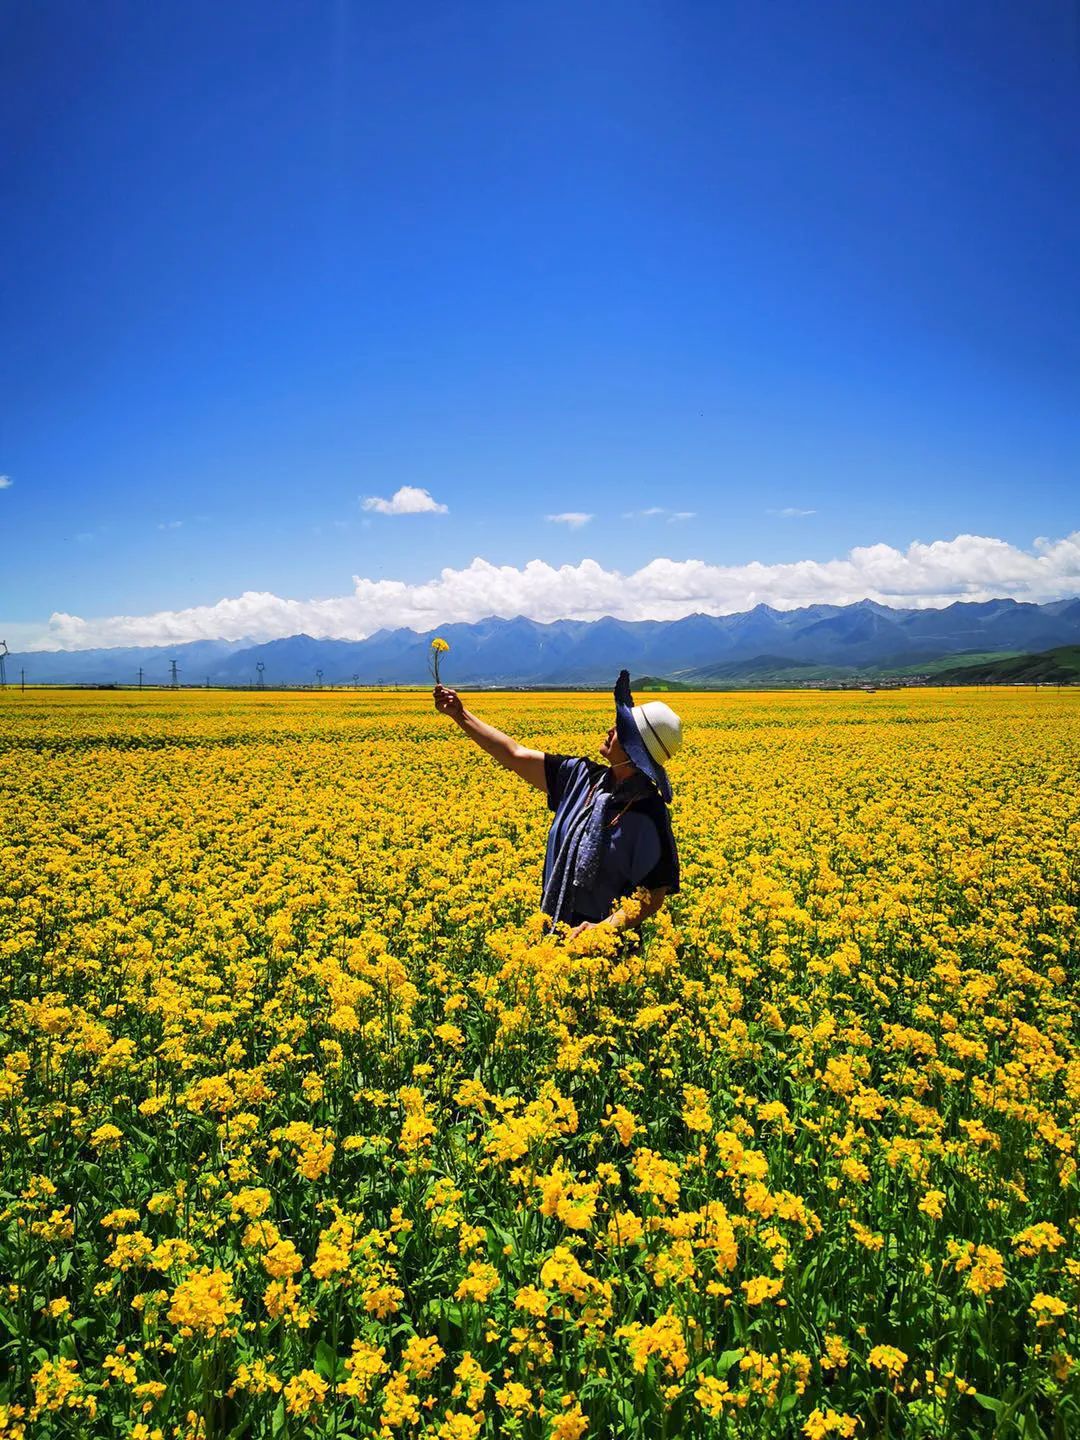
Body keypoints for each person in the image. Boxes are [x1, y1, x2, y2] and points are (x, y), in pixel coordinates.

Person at [433, 669, 682, 939]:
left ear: (636, 751)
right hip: (551, 941)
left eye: (621, 730)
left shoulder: (650, 813)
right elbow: (513, 754)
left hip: (606, 957)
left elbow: (653, 895)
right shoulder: (580, 777)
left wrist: (602, 930)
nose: (611, 729)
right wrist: (460, 714)